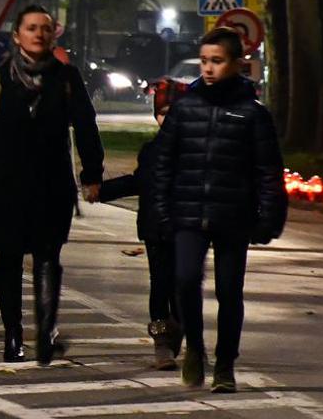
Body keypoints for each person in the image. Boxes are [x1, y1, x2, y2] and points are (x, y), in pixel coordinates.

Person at [147, 27, 287, 391]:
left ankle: (225, 364)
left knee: (229, 290)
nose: (208, 69)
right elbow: (163, 163)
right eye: (205, 61)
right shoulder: (184, 109)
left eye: (217, 61)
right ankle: (195, 346)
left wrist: (269, 217)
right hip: (188, 214)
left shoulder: (253, 114)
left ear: (238, 64)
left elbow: (268, 170)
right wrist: (161, 212)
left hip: (233, 216)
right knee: (185, 279)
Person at [0, 4, 103, 364]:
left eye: (45, 28)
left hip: (51, 184)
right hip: (5, 184)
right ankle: (13, 337)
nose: (39, 33)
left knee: (47, 255)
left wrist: (92, 172)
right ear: (17, 36)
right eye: (31, 28)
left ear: (52, 33)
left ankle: (45, 332)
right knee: (7, 258)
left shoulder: (67, 78)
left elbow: (87, 127)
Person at [91, 77, 187, 370]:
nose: (167, 119)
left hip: (187, 229)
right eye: (162, 112)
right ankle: (161, 343)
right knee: (160, 283)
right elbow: (138, 182)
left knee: (182, 286)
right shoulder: (151, 151)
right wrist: (101, 190)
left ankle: (177, 332)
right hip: (155, 228)